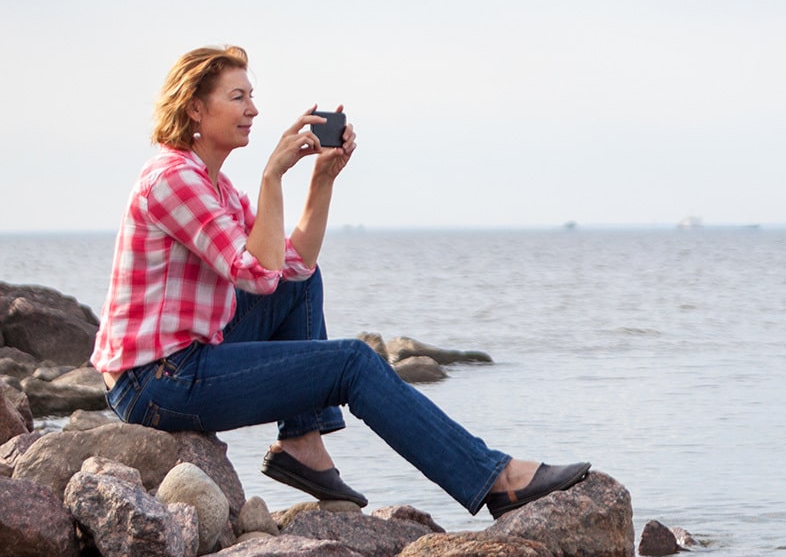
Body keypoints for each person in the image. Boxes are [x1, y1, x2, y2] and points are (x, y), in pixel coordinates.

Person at [90, 45, 589, 518]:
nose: (253, 110)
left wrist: (321, 179)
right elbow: (256, 274)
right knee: (352, 361)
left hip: (183, 359)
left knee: (301, 286)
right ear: (196, 109)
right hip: (155, 383)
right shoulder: (172, 179)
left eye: (251, 97)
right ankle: (494, 478)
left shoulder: (215, 187)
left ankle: (302, 442)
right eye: (238, 97)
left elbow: (292, 267)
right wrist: (272, 177)